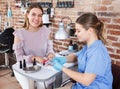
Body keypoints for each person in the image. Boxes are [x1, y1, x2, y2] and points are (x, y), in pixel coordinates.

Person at [52, 13, 113, 89]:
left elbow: (86, 80)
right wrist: (64, 59)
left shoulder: (97, 51)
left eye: (78, 31)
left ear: (90, 30)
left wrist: (62, 68)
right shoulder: (89, 46)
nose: (75, 33)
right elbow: (76, 56)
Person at [13, 3, 55, 89]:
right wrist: (34, 58)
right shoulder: (19, 34)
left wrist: (50, 54)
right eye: (33, 14)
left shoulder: (46, 31)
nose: (37, 18)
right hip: (26, 68)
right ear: (27, 15)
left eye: (40, 15)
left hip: (42, 66)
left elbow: (50, 49)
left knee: (44, 85)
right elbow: (19, 58)